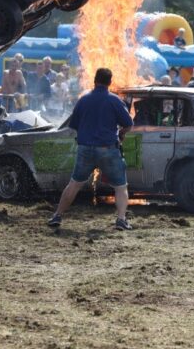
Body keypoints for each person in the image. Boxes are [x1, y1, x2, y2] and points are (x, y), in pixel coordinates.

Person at [48, 68, 134, 231]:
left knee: (74, 184)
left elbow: (74, 125)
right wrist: (121, 134)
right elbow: (128, 124)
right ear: (110, 82)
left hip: (85, 148)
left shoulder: (84, 99)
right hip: (108, 148)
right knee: (120, 186)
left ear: (95, 80)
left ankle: (57, 215)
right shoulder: (114, 100)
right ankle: (121, 219)